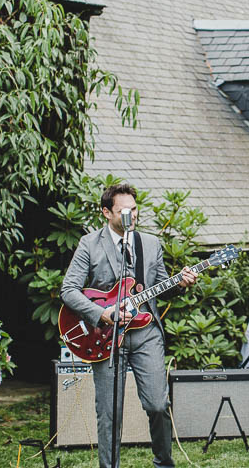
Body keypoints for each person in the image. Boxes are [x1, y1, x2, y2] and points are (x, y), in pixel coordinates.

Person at [61, 183, 198, 468]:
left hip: (146, 334)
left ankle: (164, 462)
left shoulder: (150, 244)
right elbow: (69, 290)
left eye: (134, 210)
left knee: (158, 405)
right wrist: (102, 313)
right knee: (109, 412)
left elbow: (161, 287)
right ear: (106, 213)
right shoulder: (90, 244)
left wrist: (180, 284)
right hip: (107, 336)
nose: (131, 216)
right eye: (124, 211)